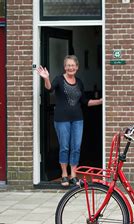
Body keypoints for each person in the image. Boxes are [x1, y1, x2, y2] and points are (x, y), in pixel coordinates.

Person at [36, 55, 102, 187]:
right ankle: (64, 175)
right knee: (65, 147)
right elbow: (50, 89)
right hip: (61, 120)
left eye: (73, 65)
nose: (71, 68)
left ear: (77, 67)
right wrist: (46, 78)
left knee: (76, 148)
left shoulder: (80, 82)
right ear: (64, 67)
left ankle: (73, 175)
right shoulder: (59, 80)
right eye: (68, 65)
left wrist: (101, 101)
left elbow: (84, 101)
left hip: (78, 120)